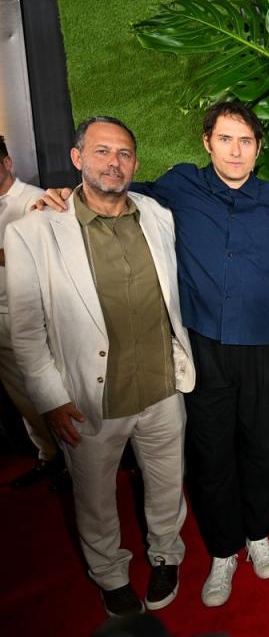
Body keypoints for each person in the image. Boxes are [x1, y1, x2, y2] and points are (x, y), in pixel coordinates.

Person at [36, 101, 269, 607]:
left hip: (264, 345)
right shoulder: (179, 186)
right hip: (201, 345)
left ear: (259, 149)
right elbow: (112, 190)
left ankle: (258, 535)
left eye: (246, 141)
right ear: (207, 142)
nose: (236, 150)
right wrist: (61, 198)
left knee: (264, 448)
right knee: (211, 453)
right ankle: (223, 550)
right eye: (225, 139)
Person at [5, 117, 195, 617]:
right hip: (89, 399)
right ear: (78, 157)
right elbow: (26, 332)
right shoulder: (35, 232)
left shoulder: (156, 215)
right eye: (103, 151)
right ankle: (110, 573)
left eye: (125, 153)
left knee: (166, 485)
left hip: (161, 387)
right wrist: (51, 399)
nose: (115, 162)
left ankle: (165, 555)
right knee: (93, 498)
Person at [0, 135, 69, 491]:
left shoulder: (36, 200)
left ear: (7, 162)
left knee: (46, 393)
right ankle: (49, 458)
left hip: (27, 314)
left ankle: (72, 464)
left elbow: (43, 255)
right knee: (21, 398)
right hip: (1, 316)